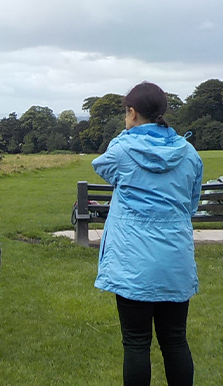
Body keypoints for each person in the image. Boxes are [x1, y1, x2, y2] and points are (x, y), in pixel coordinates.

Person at [92, 82, 202, 386]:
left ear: (131, 112)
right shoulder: (189, 153)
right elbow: (191, 203)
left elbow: (101, 164)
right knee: (176, 341)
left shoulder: (123, 150)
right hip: (175, 259)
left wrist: (128, 133)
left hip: (133, 263)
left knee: (137, 343)